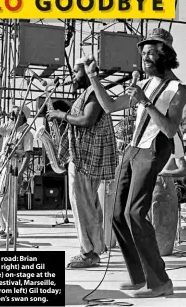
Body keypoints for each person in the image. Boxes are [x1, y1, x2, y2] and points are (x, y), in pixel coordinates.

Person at [89, 27, 186, 298]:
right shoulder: (144, 84)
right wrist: (93, 79)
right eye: (143, 54)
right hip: (132, 150)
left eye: (150, 54)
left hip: (154, 149)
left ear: (165, 56)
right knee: (116, 214)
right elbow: (110, 106)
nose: (144, 59)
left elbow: (169, 129)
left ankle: (159, 281)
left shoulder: (178, 89)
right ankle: (139, 277)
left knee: (135, 212)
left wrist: (145, 102)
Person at [47, 61, 118, 268]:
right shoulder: (88, 92)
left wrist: (61, 115)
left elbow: (88, 120)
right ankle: (94, 248)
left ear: (87, 73)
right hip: (84, 156)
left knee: (82, 205)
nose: (72, 77)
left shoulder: (94, 92)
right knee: (88, 205)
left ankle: (89, 252)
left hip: (86, 158)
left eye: (76, 72)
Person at [0, 105, 34, 239]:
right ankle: (4, 227)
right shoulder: (10, 126)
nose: (13, 115)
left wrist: (20, 174)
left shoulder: (27, 133)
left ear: (23, 116)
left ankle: (12, 230)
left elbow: (27, 155)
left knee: (5, 199)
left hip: (12, 166)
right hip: (1, 165)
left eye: (16, 113)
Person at [149, 132, 186, 256]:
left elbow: (184, 170)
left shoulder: (174, 151)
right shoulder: (148, 149)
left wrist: (165, 173)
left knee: (161, 216)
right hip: (151, 188)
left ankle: (162, 248)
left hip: (169, 187)